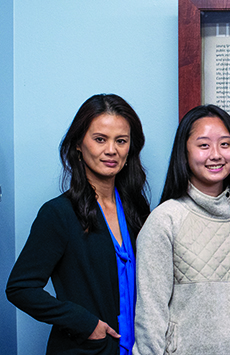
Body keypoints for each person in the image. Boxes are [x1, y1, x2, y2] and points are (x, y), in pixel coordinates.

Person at [132, 105, 230, 354]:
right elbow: (150, 317)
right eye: (203, 145)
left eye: (225, 144)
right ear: (184, 152)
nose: (216, 154)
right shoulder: (164, 221)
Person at [6, 94, 150, 355]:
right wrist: (86, 323)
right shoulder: (58, 213)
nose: (111, 150)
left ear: (130, 149)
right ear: (78, 145)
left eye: (121, 141)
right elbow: (20, 287)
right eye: (99, 139)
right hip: (87, 349)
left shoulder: (137, 210)